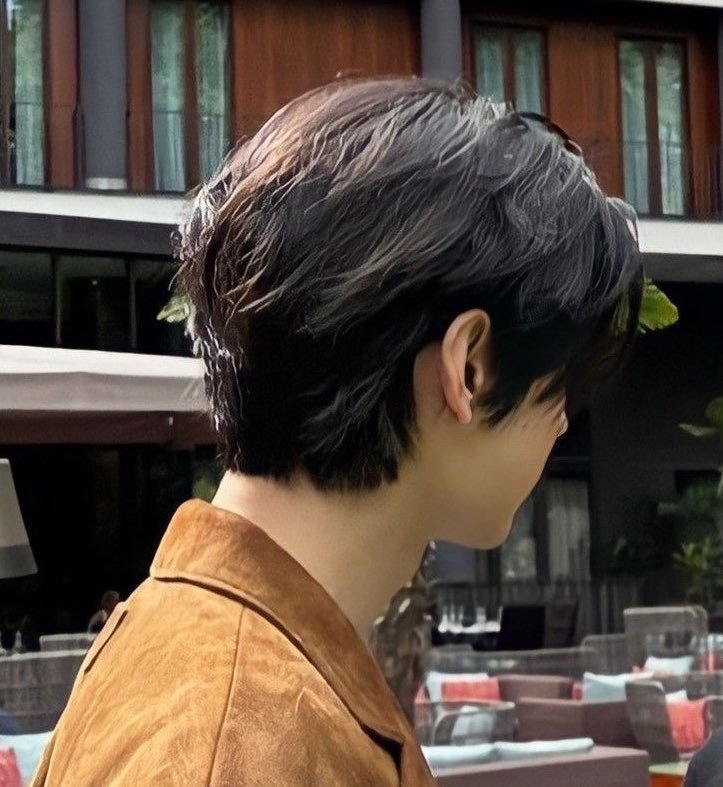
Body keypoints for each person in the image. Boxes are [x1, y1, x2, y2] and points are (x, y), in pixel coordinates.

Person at [33, 78, 643, 785]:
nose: (563, 420)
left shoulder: (215, 663)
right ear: (469, 368)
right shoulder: (236, 740)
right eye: (560, 384)